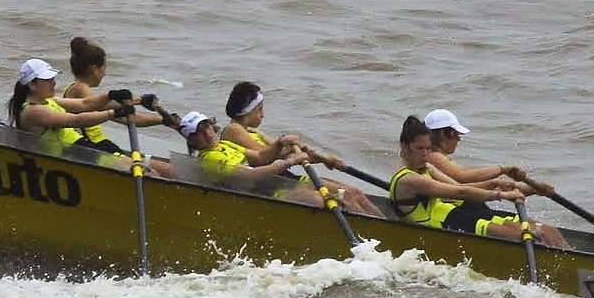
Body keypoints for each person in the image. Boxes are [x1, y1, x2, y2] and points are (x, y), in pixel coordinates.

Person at [390, 115, 569, 246]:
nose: (425, 154)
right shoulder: (409, 179)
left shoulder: (427, 167)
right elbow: (461, 192)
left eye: (427, 148)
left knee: (547, 231)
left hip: (452, 214)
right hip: (436, 227)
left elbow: (459, 187)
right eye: (419, 148)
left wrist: (505, 186)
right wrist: (501, 194)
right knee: (519, 233)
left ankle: (573, 259)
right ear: (405, 147)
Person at [219, 82, 381, 216]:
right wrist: (284, 143)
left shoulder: (253, 131)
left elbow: (286, 154)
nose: (263, 114)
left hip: (286, 179)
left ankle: (385, 225)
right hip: (269, 189)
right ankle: (372, 235)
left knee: (354, 193)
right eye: (259, 109)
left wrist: (325, 159)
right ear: (247, 111)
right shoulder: (233, 130)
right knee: (340, 199)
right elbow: (265, 156)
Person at [176, 111, 334, 204]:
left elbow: (260, 157)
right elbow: (253, 175)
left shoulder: (225, 144)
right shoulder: (209, 160)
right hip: (265, 197)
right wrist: (290, 161)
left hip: (281, 184)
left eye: (207, 126)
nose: (207, 133)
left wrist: (280, 143)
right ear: (192, 141)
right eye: (199, 132)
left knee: (351, 193)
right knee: (321, 199)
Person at [63, 37, 172, 155]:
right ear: (95, 69)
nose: (105, 73)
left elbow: (112, 109)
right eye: (104, 68)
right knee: (163, 169)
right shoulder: (80, 89)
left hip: (96, 144)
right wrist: (165, 120)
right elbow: (127, 117)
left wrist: (139, 101)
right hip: (92, 146)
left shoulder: (74, 89)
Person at [8, 58, 137, 157]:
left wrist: (111, 95)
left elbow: (85, 104)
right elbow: (76, 120)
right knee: (147, 170)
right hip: (67, 159)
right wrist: (112, 113)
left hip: (80, 150)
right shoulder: (33, 111)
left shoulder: (49, 101)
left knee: (151, 168)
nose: (54, 83)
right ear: (32, 84)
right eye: (48, 80)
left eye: (53, 78)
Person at [421, 108, 547, 195]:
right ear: (443, 134)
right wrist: (503, 169)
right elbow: (462, 177)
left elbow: (484, 186)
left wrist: (534, 189)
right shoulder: (432, 157)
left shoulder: (439, 158)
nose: (459, 139)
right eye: (455, 134)